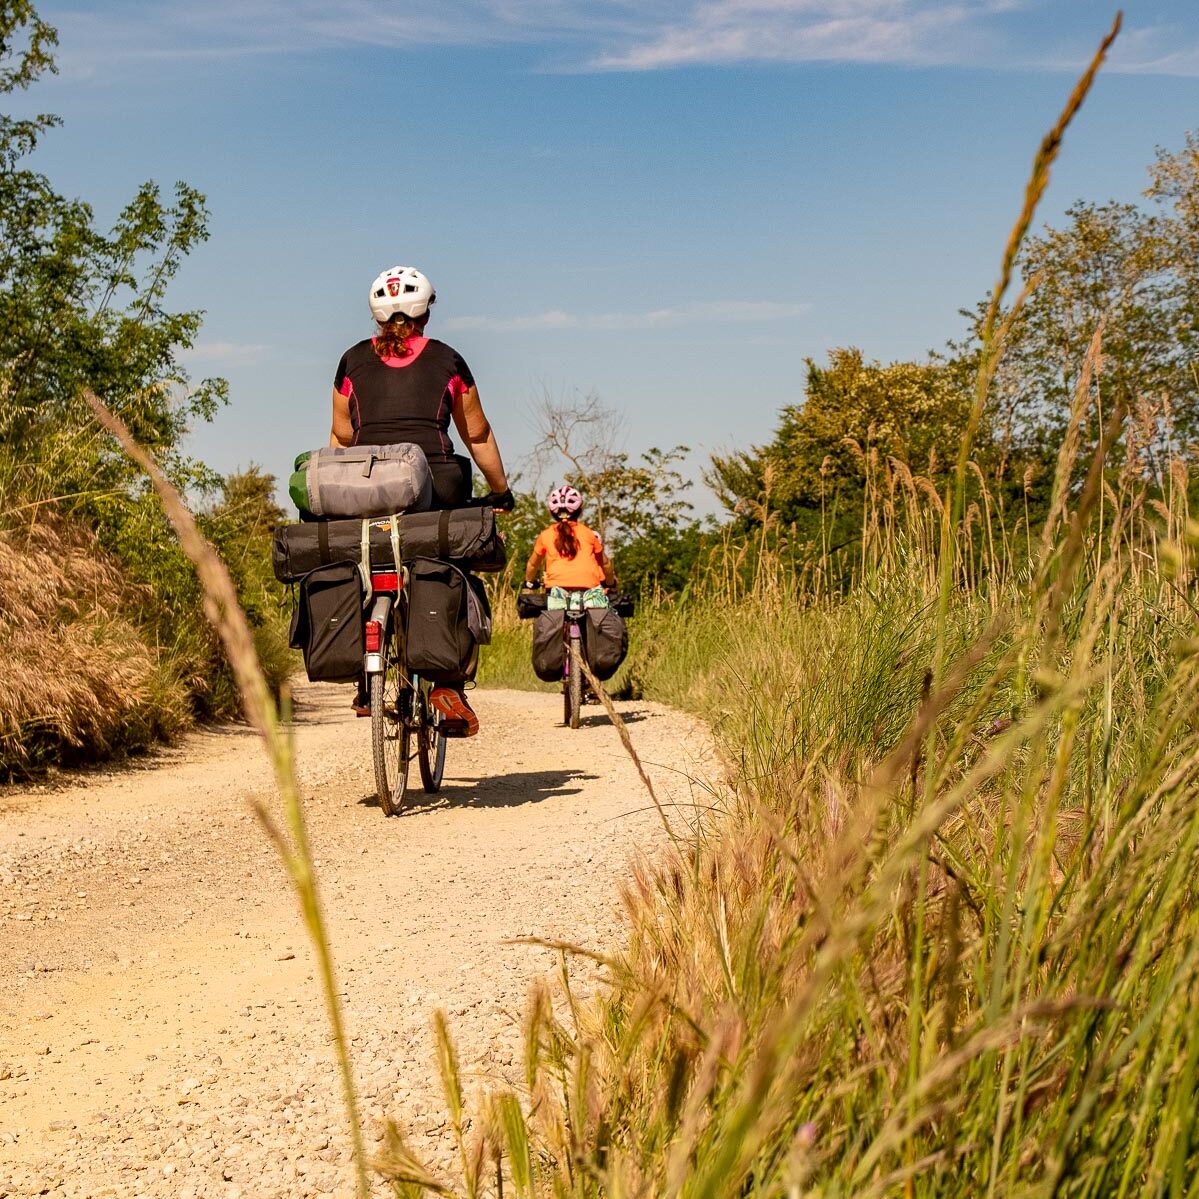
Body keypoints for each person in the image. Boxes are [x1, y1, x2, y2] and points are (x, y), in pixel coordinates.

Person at [332, 264, 512, 735]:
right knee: (452, 563)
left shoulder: (351, 361)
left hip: (367, 489)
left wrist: (338, 491)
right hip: (435, 484)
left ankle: (364, 667)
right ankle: (447, 683)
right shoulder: (448, 361)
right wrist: (500, 492)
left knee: (364, 559)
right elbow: (477, 433)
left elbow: (341, 436)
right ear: (425, 313)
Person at [524, 485, 617, 593]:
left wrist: (529, 582)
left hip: (555, 590)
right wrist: (610, 583)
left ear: (552, 512)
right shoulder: (588, 533)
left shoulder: (546, 535)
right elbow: (605, 564)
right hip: (589, 590)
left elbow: (532, 564)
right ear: (580, 510)